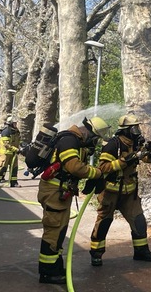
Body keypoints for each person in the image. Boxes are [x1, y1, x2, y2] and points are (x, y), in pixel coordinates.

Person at [37, 116, 109, 285]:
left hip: (60, 191)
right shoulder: (69, 141)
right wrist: (97, 173)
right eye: (95, 138)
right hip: (54, 191)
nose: (95, 143)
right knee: (53, 231)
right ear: (88, 133)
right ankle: (47, 272)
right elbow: (74, 167)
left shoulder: (75, 141)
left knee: (59, 230)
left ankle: (54, 265)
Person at [87, 114, 151, 267]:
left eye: (138, 127)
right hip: (110, 193)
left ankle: (141, 251)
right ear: (125, 130)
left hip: (130, 194)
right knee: (104, 222)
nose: (137, 131)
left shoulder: (135, 143)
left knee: (139, 221)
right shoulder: (113, 145)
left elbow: (145, 159)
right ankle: (96, 254)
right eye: (134, 128)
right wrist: (125, 161)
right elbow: (103, 167)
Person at [0, 116, 22, 188]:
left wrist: (20, 148)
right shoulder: (6, 131)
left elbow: (17, 141)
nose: (16, 125)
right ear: (11, 123)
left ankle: (14, 182)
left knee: (14, 168)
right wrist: (16, 149)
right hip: (5, 154)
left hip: (13, 153)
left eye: (16, 123)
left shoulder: (16, 131)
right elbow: (6, 144)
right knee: (2, 168)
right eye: (14, 123)